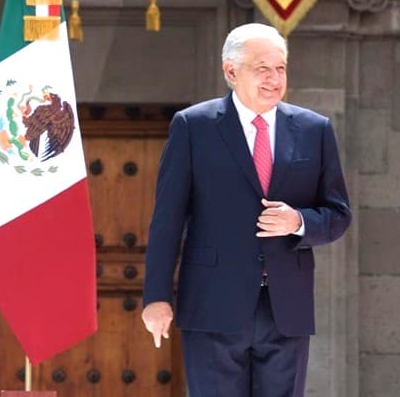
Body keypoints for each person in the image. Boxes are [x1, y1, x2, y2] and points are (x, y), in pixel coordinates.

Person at [141, 22, 352, 396]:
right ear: (231, 71)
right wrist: (157, 298)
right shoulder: (194, 126)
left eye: (281, 68)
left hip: (286, 308)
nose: (274, 79)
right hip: (212, 306)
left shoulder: (314, 129)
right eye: (262, 68)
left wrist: (299, 221)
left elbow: (337, 214)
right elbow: (167, 221)